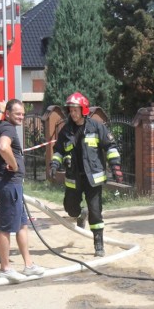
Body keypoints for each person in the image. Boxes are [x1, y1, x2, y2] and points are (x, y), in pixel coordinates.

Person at [49, 92, 122, 257]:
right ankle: (80, 214)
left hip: (93, 178)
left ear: (83, 109)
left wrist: (115, 166)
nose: (72, 113)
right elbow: (59, 150)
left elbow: (110, 146)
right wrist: (55, 163)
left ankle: (98, 243)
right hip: (73, 178)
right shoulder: (66, 130)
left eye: (76, 110)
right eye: (70, 110)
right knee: (70, 209)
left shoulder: (96, 127)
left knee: (95, 212)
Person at [0, 99, 45, 282]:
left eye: (22, 113)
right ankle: (5, 268)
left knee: (22, 224)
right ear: (8, 114)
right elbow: (3, 147)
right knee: (5, 227)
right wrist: (13, 165)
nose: (21, 117)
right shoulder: (8, 128)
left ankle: (28, 265)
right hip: (9, 184)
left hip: (10, 184)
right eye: (17, 114)